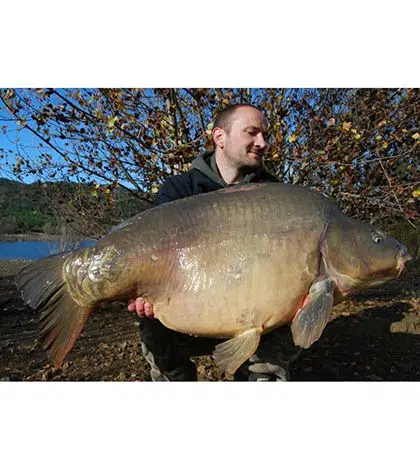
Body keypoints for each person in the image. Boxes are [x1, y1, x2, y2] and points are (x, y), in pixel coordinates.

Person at [128, 103, 302, 381]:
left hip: (256, 314)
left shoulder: (276, 195)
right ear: (219, 137)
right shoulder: (178, 190)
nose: (263, 142)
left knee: (287, 320)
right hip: (190, 313)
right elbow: (156, 256)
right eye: (252, 132)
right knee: (151, 322)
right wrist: (143, 290)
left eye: (264, 134)